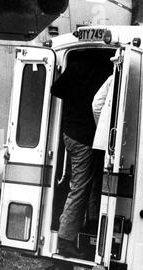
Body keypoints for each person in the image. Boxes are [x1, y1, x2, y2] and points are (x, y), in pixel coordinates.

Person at [51, 60, 110, 259]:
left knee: (87, 182)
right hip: (85, 137)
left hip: (69, 133)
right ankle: (66, 240)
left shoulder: (76, 64)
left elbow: (55, 89)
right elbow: (98, 104)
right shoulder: (104, 69)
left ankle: (91, 225)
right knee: (81, 187)